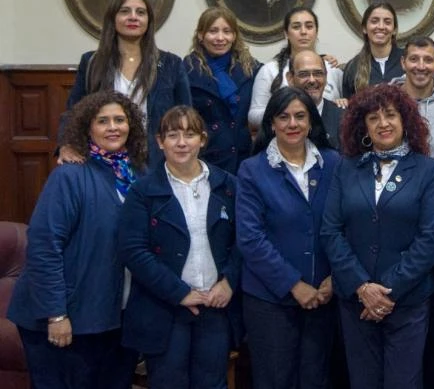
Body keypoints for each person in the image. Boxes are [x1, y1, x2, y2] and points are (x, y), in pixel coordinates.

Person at [8, 90, 146, 389]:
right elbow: (45, 246)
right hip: (63, 316)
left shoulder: (135, 173)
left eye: (120, 120)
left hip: (113, 315)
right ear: (88, 128)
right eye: (103, 120)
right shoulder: (69, 175)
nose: (113, 127)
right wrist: (55, 315)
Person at [322, 84, 434, 389]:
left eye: (390, 115)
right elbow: (331, 231)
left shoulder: (427, 170)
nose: (383, 123)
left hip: (407, 300)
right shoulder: (345, 168)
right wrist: (362, 287)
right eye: (373, 117)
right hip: (355, 300)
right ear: (363, 125)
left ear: (405, 121)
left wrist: (387, 291)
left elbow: (430, 239)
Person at [118, 106, 240, 388]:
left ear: (203, 139)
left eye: (190, 134)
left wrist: (229, 282)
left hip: (215, 307)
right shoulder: (142, 191)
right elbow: (133, 251)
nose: (182, 143)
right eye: (173, 135)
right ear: (160, 142)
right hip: (164, 309)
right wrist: (180, 293)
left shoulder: (228, 185)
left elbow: (243, 241)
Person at [236, 87, 341, 389]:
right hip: (270, 301)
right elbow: (250, 238)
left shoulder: (334, 163)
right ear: (271, 123)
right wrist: (293, 285)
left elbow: (346, 225)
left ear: (311, 122)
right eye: (284, 117)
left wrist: (335, 277)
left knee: (317, 380)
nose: (292, 124)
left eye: (300, 116)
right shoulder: (252, 170)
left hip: (324, 296)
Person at [58, 0, 192, 168]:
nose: (133, 17)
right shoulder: (92, 62)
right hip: (104, 161)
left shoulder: (171, 64)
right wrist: (65, 145)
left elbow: (185, 115)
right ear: (113, 18)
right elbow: (73, 111)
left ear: (149, 21)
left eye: (141, 12)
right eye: (125, 11)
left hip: (156, 163)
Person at [184, 6, 261, 173]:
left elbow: (283, 72)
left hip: (245, 159)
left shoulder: (251, 68)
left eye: (227, 31)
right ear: (200, 35)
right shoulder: (187, 70)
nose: (220, 38)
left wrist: (321, 60)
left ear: (234, 36)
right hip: (206, 160)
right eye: (213, 31)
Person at [248, 7, 342, 128]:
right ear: (286, 33)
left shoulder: (332, 69)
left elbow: (344, 107)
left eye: (309, 26)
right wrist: (285, 113)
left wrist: (341, 103)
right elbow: (253, 115)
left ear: (316, 32)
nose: (303, 32)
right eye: (296, 27)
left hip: (327, 140)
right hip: (285, 140)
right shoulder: (269, 70)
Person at [341, 2, 405, 98]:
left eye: (387, 22)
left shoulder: (408, 61)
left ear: (394, 29)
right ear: (364, 28)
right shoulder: (353, 67)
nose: (381, 26)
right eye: (374, 21)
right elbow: (349, 107)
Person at [287, 49, 344, 153]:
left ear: (326, 77)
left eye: (318, 73)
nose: (312, 80)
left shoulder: (344, 118)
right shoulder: (280, 118)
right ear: (290, 78)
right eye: (304, 74)